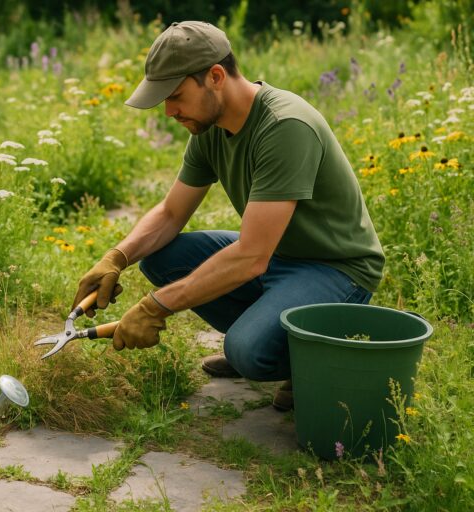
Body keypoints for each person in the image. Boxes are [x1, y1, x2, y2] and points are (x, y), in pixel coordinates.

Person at [72, 21, 385, 411]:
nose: (169, 111)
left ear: (215, 77)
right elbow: (171, 213)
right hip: (279, 256)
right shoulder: (209, 129)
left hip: (336, 269)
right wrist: (116, 258)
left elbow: (251, 256)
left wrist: (157, 305)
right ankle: (270, 336)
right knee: (162, 257)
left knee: (248, 352)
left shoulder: (285, 126)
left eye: (176, 96)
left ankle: (306, 361)